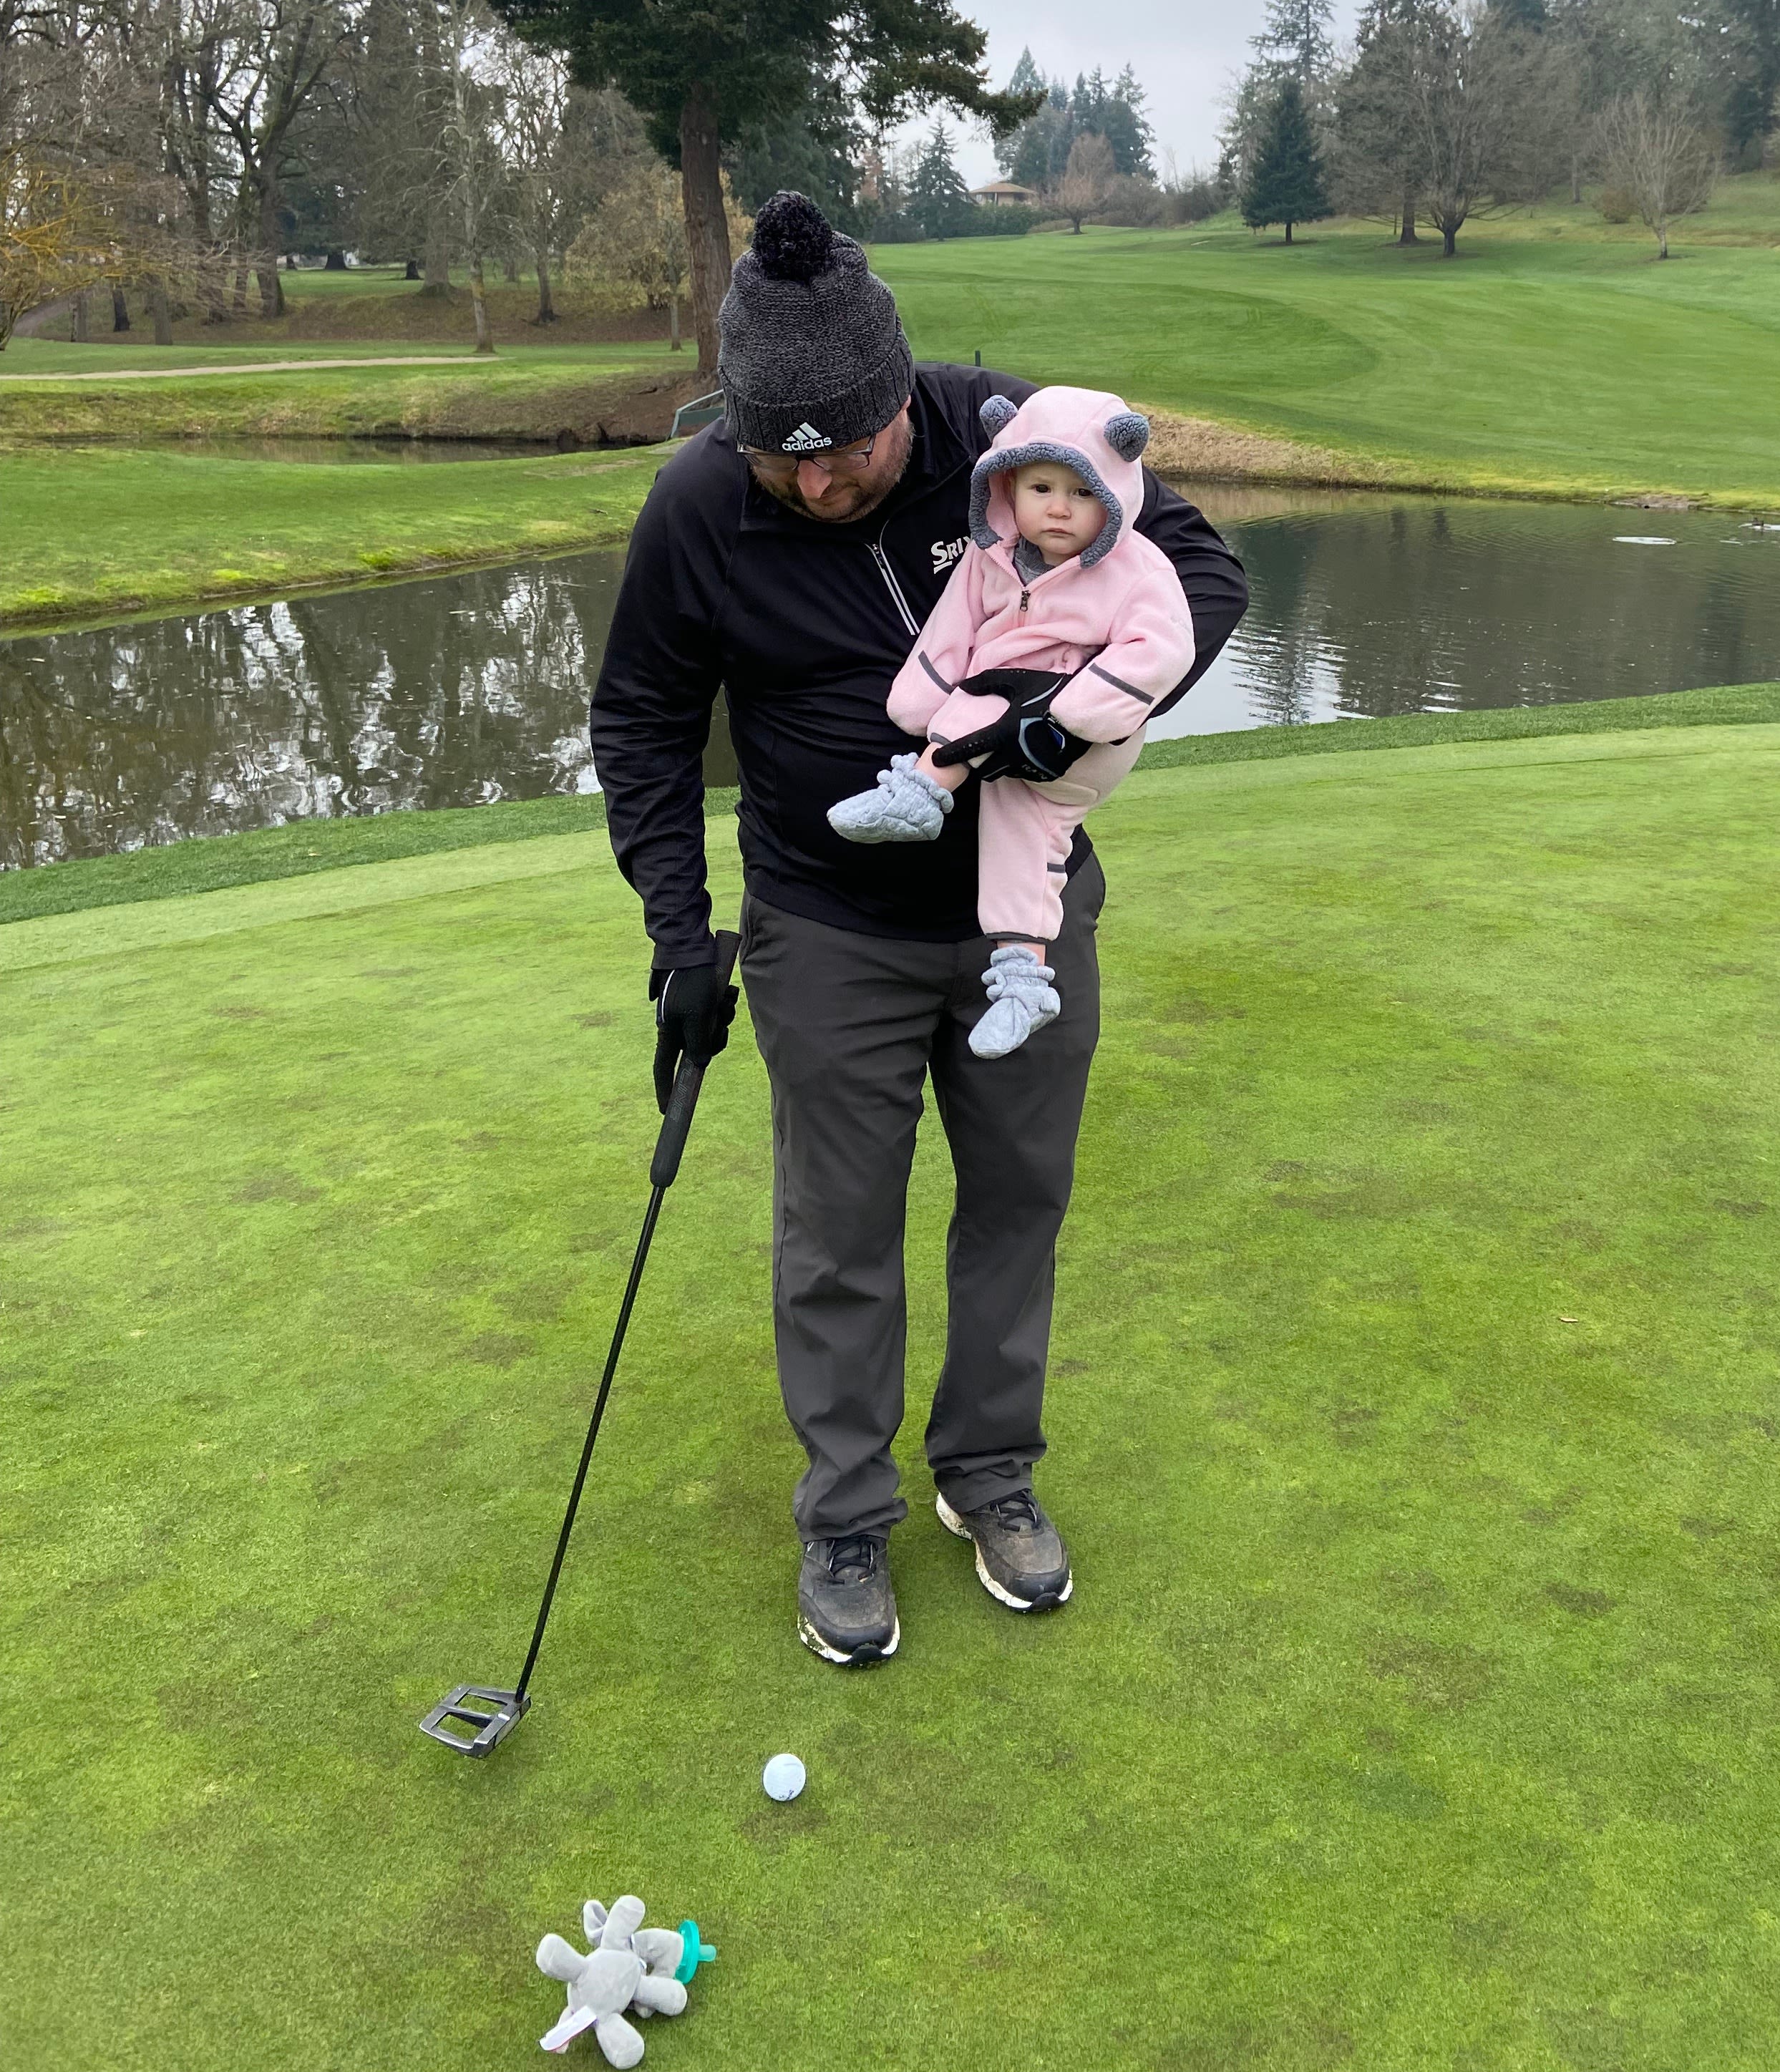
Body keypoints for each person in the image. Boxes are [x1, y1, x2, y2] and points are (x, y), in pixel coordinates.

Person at [589, 190, 1248, 1667]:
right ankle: (843, 1514)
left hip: (1026, 912)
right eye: (783, 462)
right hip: (827, 928)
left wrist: (1067, 720)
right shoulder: (702, 504)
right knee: (837, 1234)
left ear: (899, 400)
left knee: (1018, 1195)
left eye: (850, 455)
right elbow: (640, 718)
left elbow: (1201, 575)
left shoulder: (1005, 439)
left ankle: (988, 1469)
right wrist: (681, 935)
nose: (818, 489)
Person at [826, 385, 1197, 1061]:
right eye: (1041, 487)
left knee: (998, 725)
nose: (1058, 508)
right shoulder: (989, 558)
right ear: (1006, 486)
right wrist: (919, 698)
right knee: (1020, 834)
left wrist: (1077, 714)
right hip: (1002, 722)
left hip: (1089, 731)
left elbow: (1164, 648)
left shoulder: (1138, 569)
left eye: (1083, 494)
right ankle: (1023, 979)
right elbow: (951, 632)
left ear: (1114, 493)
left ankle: (921, 790)